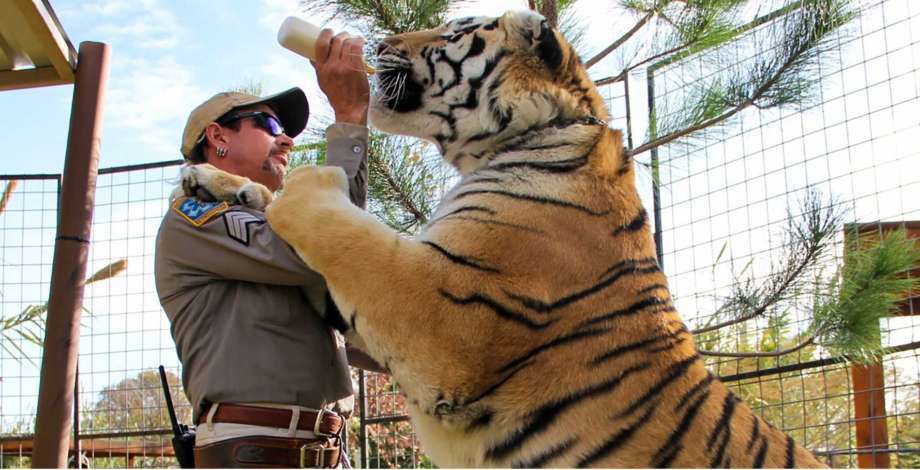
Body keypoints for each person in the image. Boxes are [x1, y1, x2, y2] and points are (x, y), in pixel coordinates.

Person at [154, 30, 380, 468]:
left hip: (325, 450)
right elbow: (323, 248)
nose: (287, 140)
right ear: (217, 136)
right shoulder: (195, 217)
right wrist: (349, 116)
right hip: (256, 451)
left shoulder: (271, 229)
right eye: (270, 125)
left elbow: (350, 323)